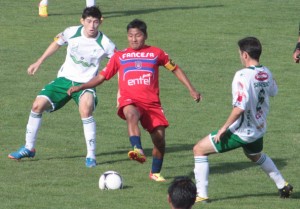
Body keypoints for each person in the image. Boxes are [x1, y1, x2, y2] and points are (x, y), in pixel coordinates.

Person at [67, 19, 201, 181]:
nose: (134, 39)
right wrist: (81, 87)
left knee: (159, 140)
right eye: (130, 36)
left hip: (152, 104)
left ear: (145, 36)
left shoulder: (156, 53)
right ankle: (137, 148)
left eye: (137, 35)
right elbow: (101, 77)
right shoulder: (119, 56)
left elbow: (175, 69)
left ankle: (155, 173)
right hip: (130, 100)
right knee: (131, 114)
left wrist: (191, 89)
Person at [8, 6, 116, 168]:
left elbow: (120, 63)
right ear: (82, 21)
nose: (92, 26)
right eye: (88, 22)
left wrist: (122, 91)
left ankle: (91, 156)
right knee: (37, 105)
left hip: (85, 84)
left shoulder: (105, 43)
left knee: (86, 109)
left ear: (100, 22)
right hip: (64, 80)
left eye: (95, 22)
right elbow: (57, 43)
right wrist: (39, 61)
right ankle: (29, 148)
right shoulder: (71, 32)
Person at [193, 37, 293, 203]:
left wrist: (223, 128)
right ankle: (282, 185)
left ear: (245, 55)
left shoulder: (242, 75)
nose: (240, 56)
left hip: (242, 131)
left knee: (199, 149)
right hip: (259, 128)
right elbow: (274, 91)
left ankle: (201, 194)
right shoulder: (267, 72)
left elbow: (239, 107)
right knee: (254, 155)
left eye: (240, 53)